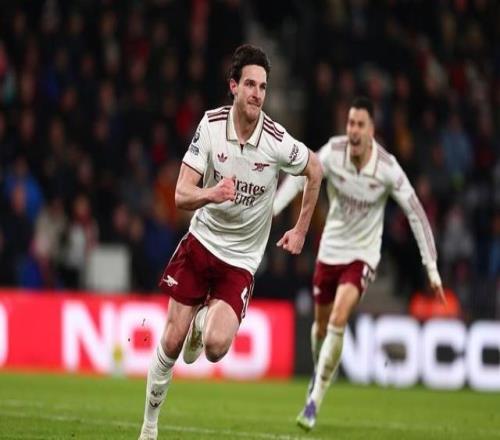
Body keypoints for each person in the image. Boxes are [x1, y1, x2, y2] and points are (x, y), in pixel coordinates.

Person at [138, 44, 322, 440]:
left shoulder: (276, 140)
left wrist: (301, 230)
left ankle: (202, 324)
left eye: (263, 87)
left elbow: (315, 169)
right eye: (250, 85)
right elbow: (181, 194)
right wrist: (213, 193)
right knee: (171, 340)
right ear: (234, 86)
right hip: (202, 242)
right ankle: (149, 426)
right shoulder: (210, 125)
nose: (258, 94)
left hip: (240, 260)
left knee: (217, 347)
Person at [273, 96, 445, 432]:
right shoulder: (333, 151)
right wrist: (273, 210)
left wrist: (432, 268)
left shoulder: (387, 168)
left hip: (363, 254)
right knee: (320, 328)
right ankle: (321, 372)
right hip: (330, 249)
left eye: (359, 125)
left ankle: (314, 400)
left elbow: (416, 214)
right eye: (350, 123)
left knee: (339, 317)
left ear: (371, 130)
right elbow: (301, 176)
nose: (352, 130)